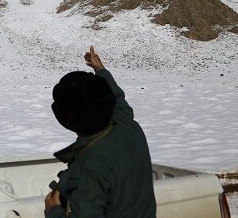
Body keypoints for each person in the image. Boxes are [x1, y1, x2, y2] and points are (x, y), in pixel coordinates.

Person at [44, 46, 156, 218]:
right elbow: (116, 97)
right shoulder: (127, 125)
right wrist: (100, 69)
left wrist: (54, 211)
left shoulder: (88, 171)